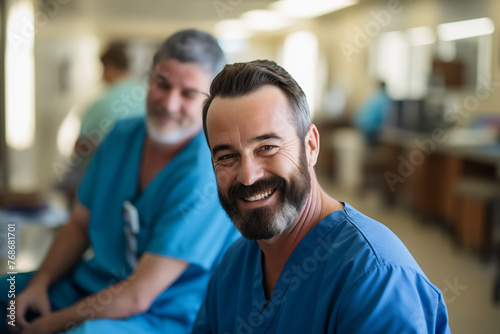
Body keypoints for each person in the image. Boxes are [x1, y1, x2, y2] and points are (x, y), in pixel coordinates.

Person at [1, 29, 240, 334]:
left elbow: (139, 295)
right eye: (161, 84)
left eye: (188, 94)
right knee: (7, 295)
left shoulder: (207, 172)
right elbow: (78, 224)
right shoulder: (121, 136)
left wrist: (47, 326)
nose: (169, 103)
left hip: (161, 313)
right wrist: (40, 283)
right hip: (88, 286)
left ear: (210, 101)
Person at [191, 60, 451, 333]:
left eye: (267, 147)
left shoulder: (375, 278)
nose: (248, 176)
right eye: (227, 156)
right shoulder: (233, 267)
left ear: (311, 146)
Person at [56, 43, 146, 205]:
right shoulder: (148, 95)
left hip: (104, 185)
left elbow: (82, 146)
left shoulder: (102, 103)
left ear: (108, 67)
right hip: (141, 182)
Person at [353, 80, 391, 145]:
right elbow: (386, 117)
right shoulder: (385, 99)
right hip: (370, 127)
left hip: (360, 123)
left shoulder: (372, 96)